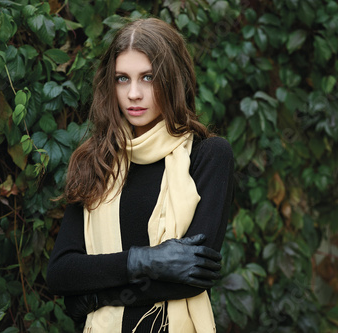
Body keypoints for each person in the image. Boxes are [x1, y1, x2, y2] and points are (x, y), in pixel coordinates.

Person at [47, 17, 234, 332]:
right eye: (122, 78)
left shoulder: (208, 156)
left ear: (173, 80)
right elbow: (62, 272)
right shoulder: (97, 160)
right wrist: (144, 261)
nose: (133, 94)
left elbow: (191, 278)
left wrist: (95, 298)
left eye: (148, 77)